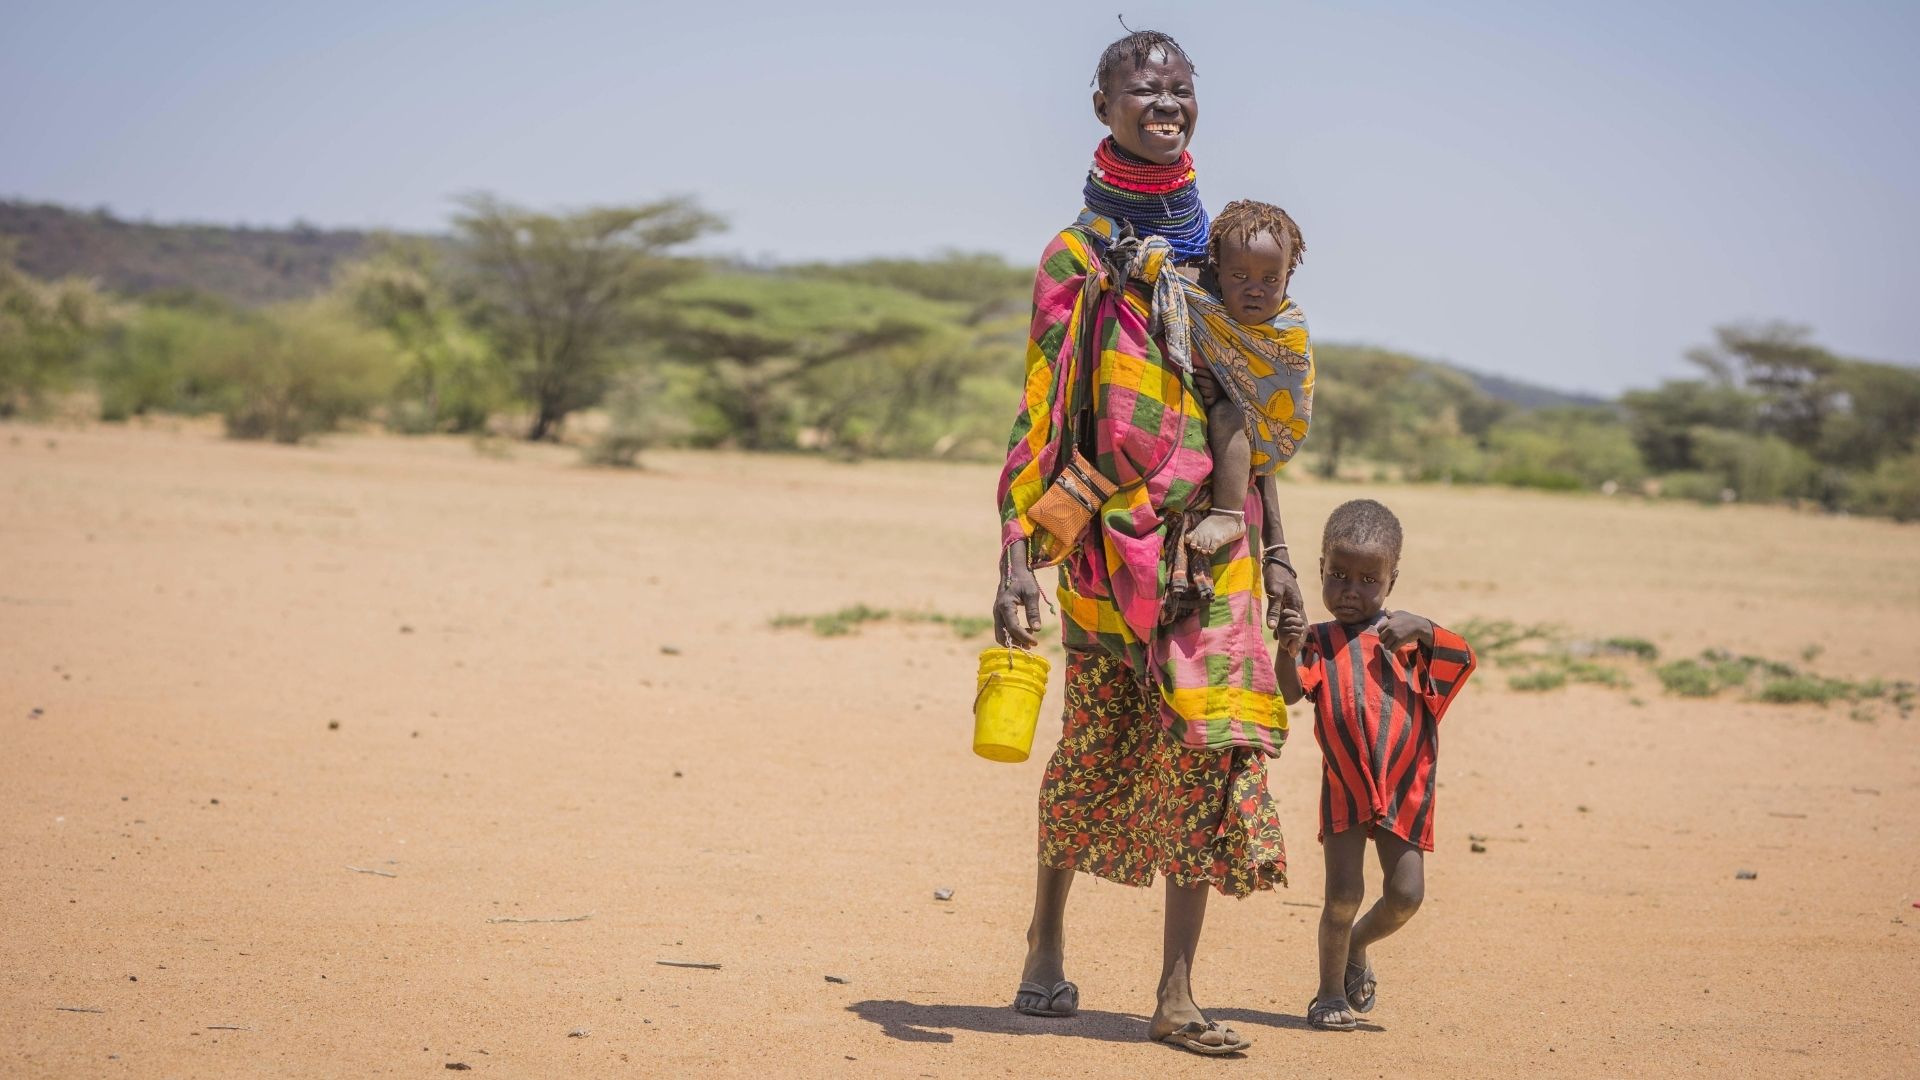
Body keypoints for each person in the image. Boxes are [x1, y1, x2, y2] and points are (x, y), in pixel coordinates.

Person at [991, 27, 1309, 1058]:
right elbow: (1040, 411)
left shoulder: (1226, 255)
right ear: (1103, 109)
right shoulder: (1076, 257)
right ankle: (1046, 937)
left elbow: (1250, 421)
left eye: (1180, 87)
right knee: (1091, 751)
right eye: (1144, 88)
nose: (1166, 101)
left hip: (1212, 549)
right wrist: (1013, 558)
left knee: (1209, 751)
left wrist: (1280, 559)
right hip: (1103, 546)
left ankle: (1175, 994)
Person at [1273, 499, 1478, 1031]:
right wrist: (1287, 649)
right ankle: (1326, 994)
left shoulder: (1408, 638)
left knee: (1406, 896)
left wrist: (1425, 627)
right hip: (1344, 787)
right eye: (1338, 575)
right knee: (1341, 896)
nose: (1351, 591)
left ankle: (1358, 947)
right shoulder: (1317, 639)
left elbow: (1466, 659)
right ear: (1320, 570)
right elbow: (1291, 693)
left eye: (1368, 579)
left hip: (1405, 788)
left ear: (1391, 580)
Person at [1178, 200, 1312, 574]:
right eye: (1240, 277)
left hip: (1257, 436)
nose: (1255, 290)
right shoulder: (1205, 309)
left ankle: (1228, 514)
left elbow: (1274, 393)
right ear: (1217, 272)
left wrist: (1223, 391)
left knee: (1227, 413)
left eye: (1270, 280)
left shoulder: (1288, 332)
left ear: (1288, 278)